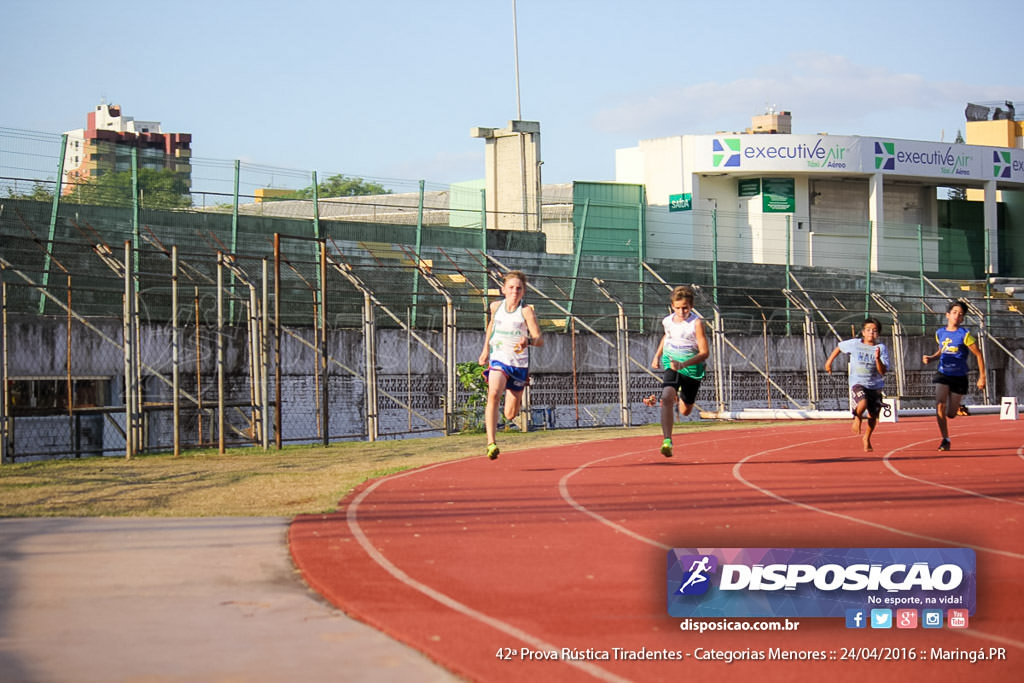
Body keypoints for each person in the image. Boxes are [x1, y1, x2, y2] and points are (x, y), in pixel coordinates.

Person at [478, 270, 543, 460]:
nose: (515, 291)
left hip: (518, 365)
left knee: (509, 414)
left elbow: (539, 339)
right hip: (498, 359)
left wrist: (528, 341)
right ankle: (491, 443)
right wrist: (485, 351)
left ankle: (517, 393)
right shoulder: (495, 306)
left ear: (523, 292)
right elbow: (492, 326)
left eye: (519, 288)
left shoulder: (526, 311)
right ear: (503, 289)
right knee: (493, 394)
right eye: (511, 287)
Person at [642, 285, 709, 458]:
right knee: (665, 397)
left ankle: (680, 395)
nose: (681, 311)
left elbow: (704, 353)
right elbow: (667, 336)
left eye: (685, 308)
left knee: (686, 410)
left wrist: (684, 363)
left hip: (692, 368)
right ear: (672, 306)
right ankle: (667, 441)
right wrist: (657, 355)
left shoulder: (696, 323)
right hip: (671, 363)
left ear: (691, 306)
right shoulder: (667, 321)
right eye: (678, 308)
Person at [922, 299, 986, 451]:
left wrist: (982, 377)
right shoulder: (940, 333)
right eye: (955, 313)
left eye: (961, 314)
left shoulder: (965, 335)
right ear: (947, 315)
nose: (957, 316)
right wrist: (931, 357)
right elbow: (942, 350)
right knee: (939, 405)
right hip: (943, 373)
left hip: (959, 376)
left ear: (963, 318)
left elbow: (978, 355)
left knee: (950, 414)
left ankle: (958, 407)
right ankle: (945, 439)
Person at [824, 318, 890, 452]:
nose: (871, 333)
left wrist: (877, 358)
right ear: (863, 332)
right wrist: (828, 363)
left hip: (875, 385)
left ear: (878, 334)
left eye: (874, 331)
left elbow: (882, 371)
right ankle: (857, 417)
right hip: (858, 382)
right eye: (868, 330)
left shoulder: (881, 348)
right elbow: (839, 347)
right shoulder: (854, 344)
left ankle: (866, 438)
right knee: (862, 403)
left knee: (873, 416)